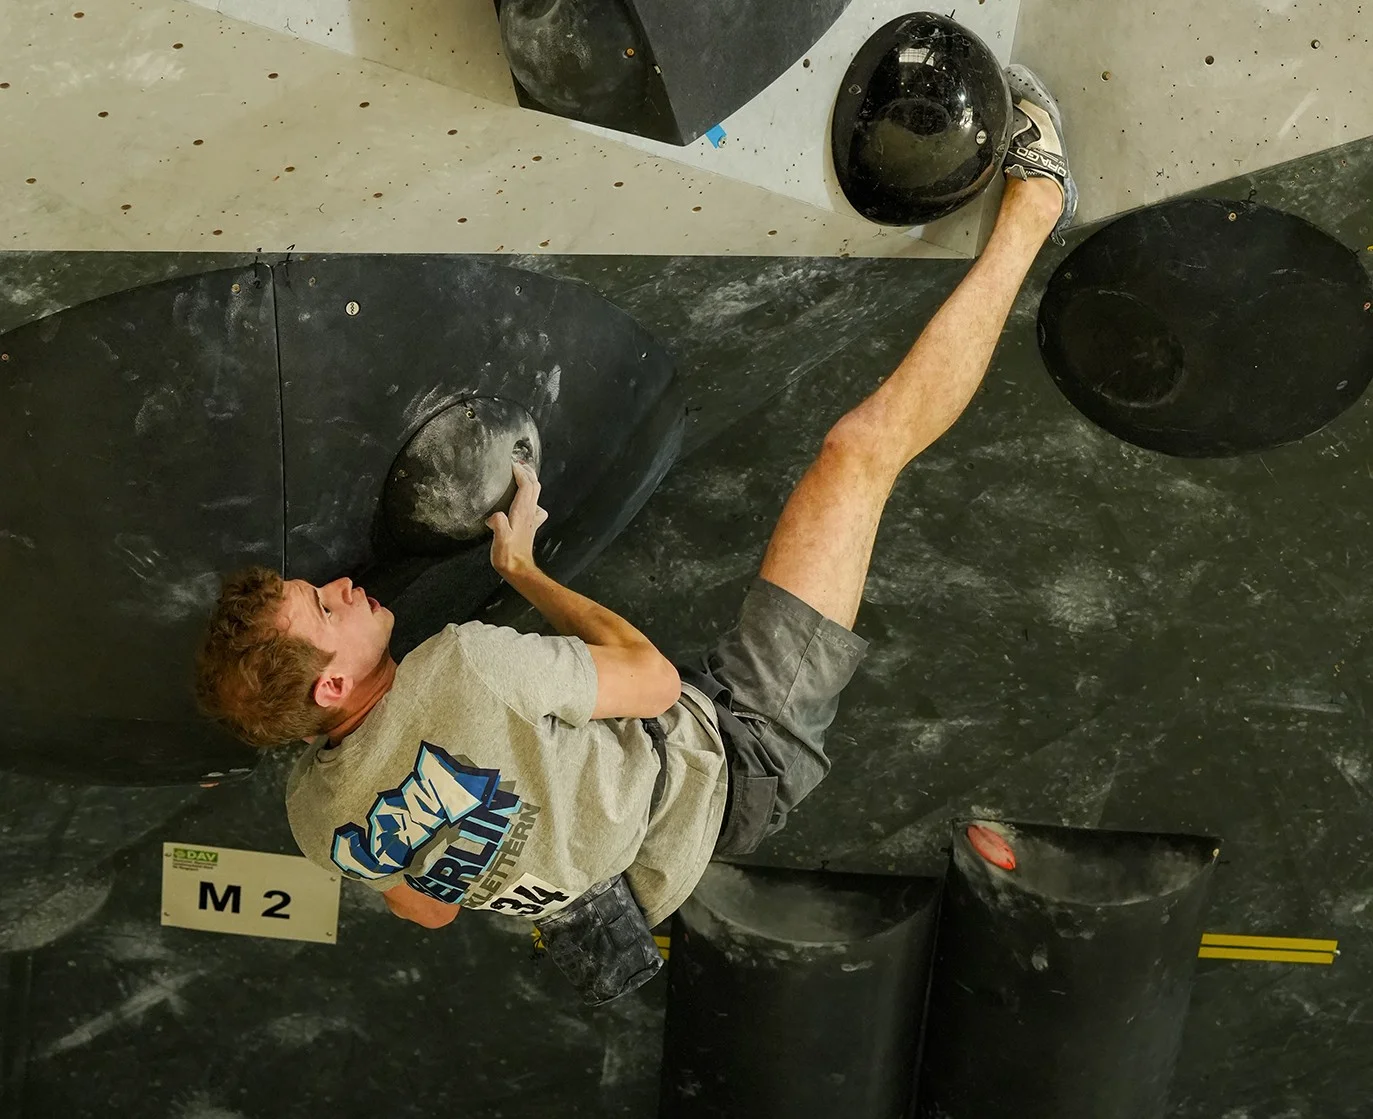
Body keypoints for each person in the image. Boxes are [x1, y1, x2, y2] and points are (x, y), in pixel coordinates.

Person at [196, 67, 1077, 1003]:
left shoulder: (319, 819)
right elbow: (650, 680)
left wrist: (514, 827)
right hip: (740, 749)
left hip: (651, 810)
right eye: (325, 607)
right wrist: (522, 571)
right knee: (859, 454)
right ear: (331, 685)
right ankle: (1039, 201)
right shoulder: (462, 668)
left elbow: (429, 910)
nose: (340, 585)